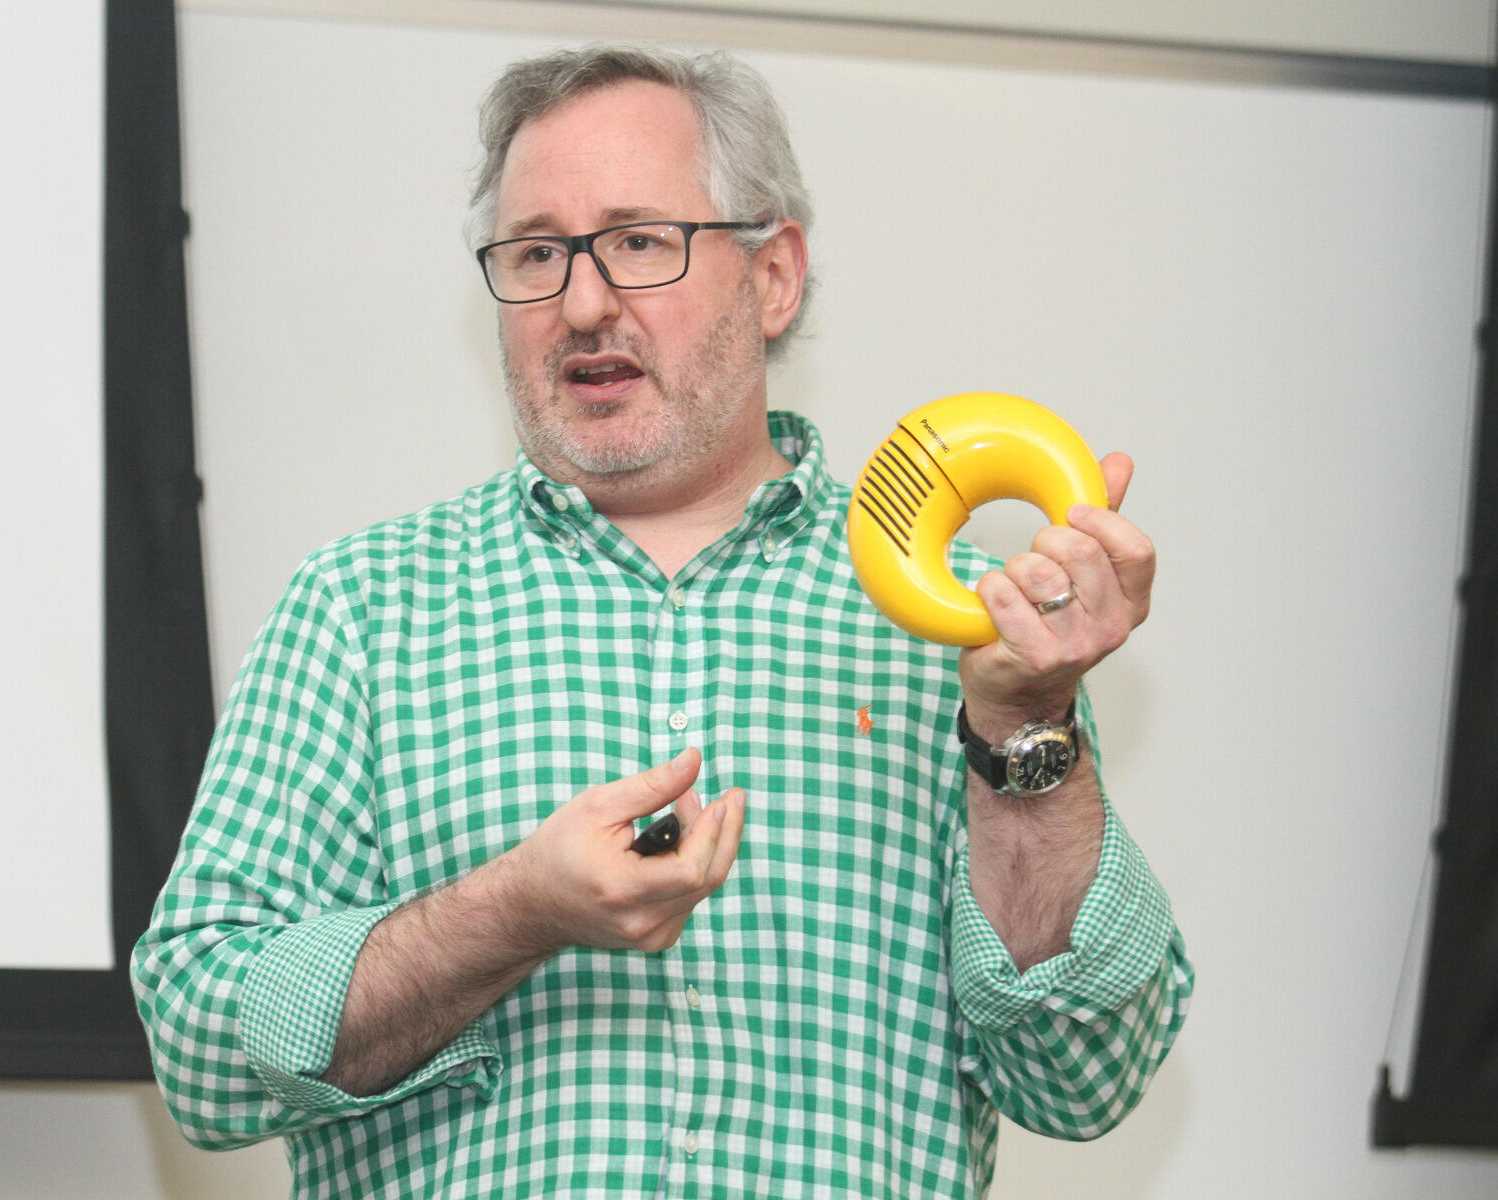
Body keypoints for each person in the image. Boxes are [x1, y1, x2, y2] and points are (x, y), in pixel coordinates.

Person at [132, 43, 1192, 1198]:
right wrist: (511, 913)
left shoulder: (967, 621)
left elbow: (1083, 1075)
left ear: (774, 274)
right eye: (538, 253)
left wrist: (1026, 730)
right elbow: (198, 1050)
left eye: (640, 240)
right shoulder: (365, 608)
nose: (583, 303)